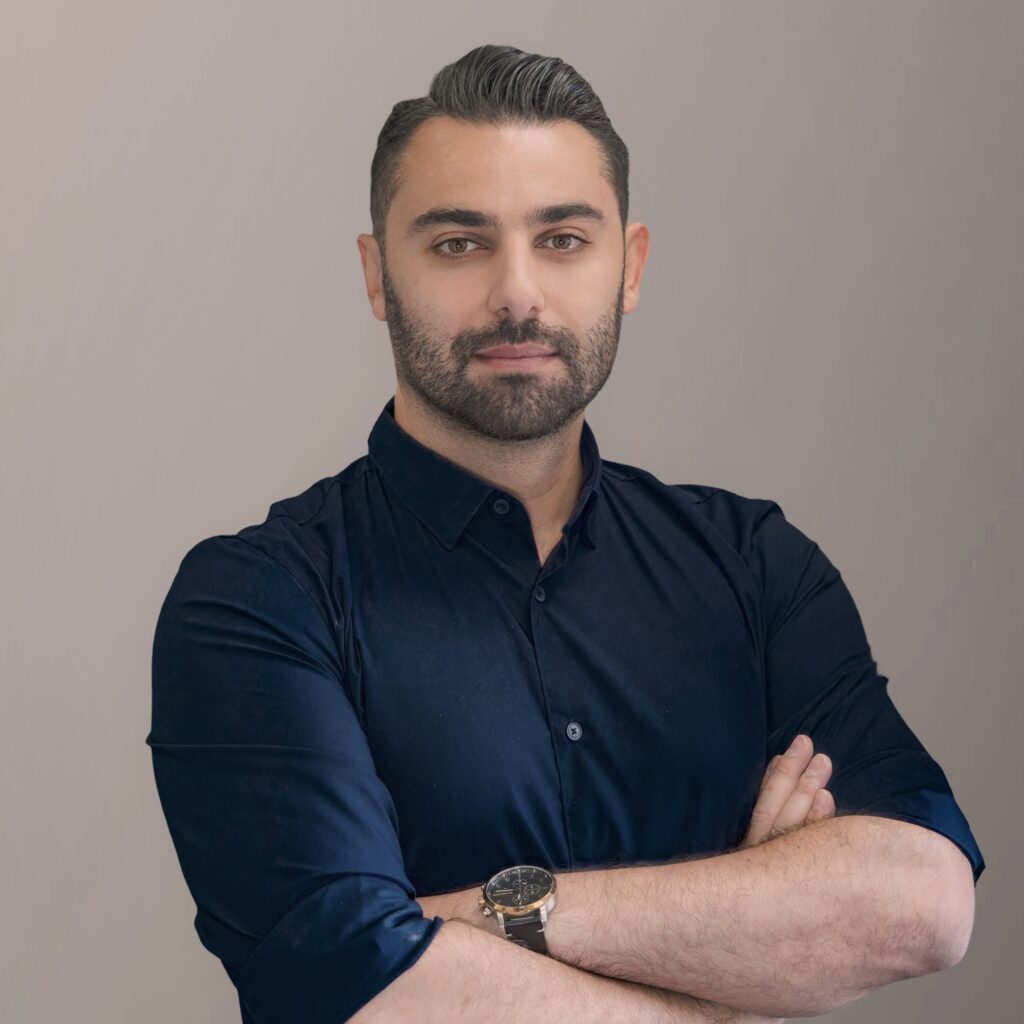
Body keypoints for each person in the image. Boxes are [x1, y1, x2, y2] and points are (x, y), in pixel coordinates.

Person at [146, 44, 984, 1024]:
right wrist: (744, 949)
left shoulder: (754, 566)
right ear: (377, 275)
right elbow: (366, 990)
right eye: (458, 244)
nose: (517, 293)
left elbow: (923, 902)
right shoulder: (257, 601)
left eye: (563, 239)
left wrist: (466, 921)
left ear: (630, 267)